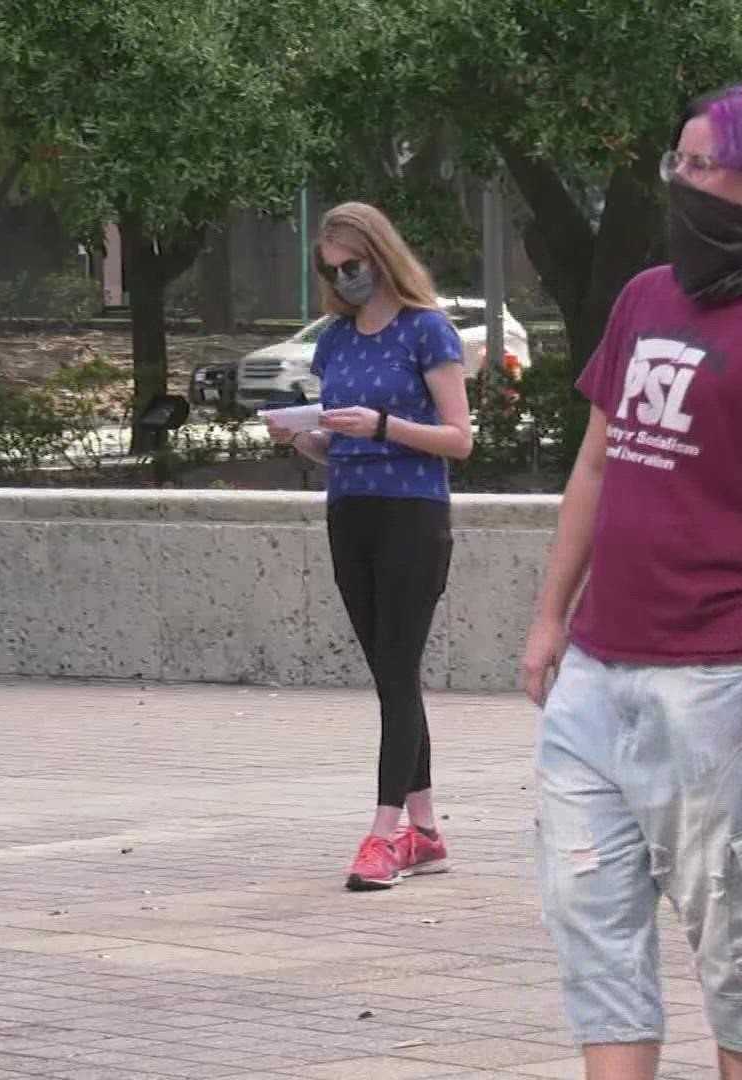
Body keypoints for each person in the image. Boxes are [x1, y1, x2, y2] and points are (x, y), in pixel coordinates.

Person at [520, 87, 742, 1079]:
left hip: (730, 679)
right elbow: (595, 464)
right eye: (677, 163)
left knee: (740, 941)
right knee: (592, 921)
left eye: (703, 165)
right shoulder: (643, 297)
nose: (683, 182)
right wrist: (551, 618)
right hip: (598, 670)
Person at [264, 201, 473, 890]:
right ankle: (428, 831)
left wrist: (384, 425)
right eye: (333, 271)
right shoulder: (335, 339)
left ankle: (384, 835)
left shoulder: (427, 331)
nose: (345, 280)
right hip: (349, 509)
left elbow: (459, 438)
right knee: (392, 674)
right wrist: (303, 436)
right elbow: (336, 441)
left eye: (353, 266)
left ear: (380, 257)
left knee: (397, 667)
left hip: (413, 512)